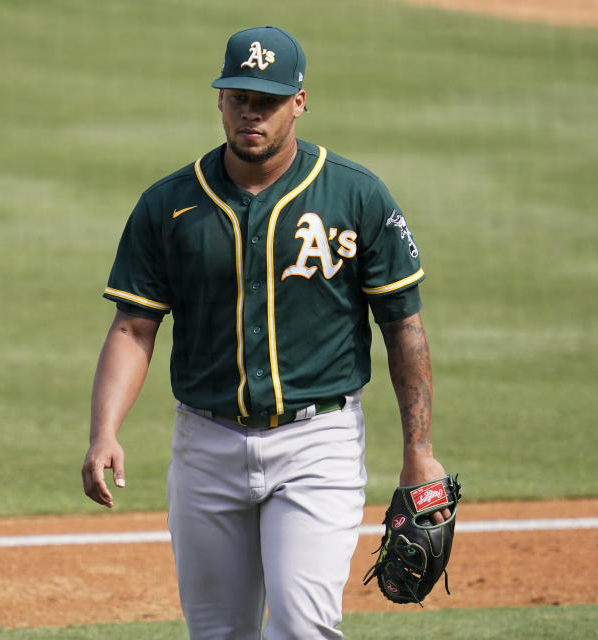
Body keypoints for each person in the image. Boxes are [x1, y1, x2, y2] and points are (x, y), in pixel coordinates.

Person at [81, 25, 450, 640]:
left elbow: (403, 327)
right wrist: (104, 432)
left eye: (268, 101)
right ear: (219, 100)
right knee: (219, 633)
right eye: (239, 97)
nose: (251, 112)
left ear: (299, 102)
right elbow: (133, 326)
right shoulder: (168, 204)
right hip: (205, 446)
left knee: (305, 628)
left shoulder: (356, 196)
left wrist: (419, 451)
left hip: (318, 445)